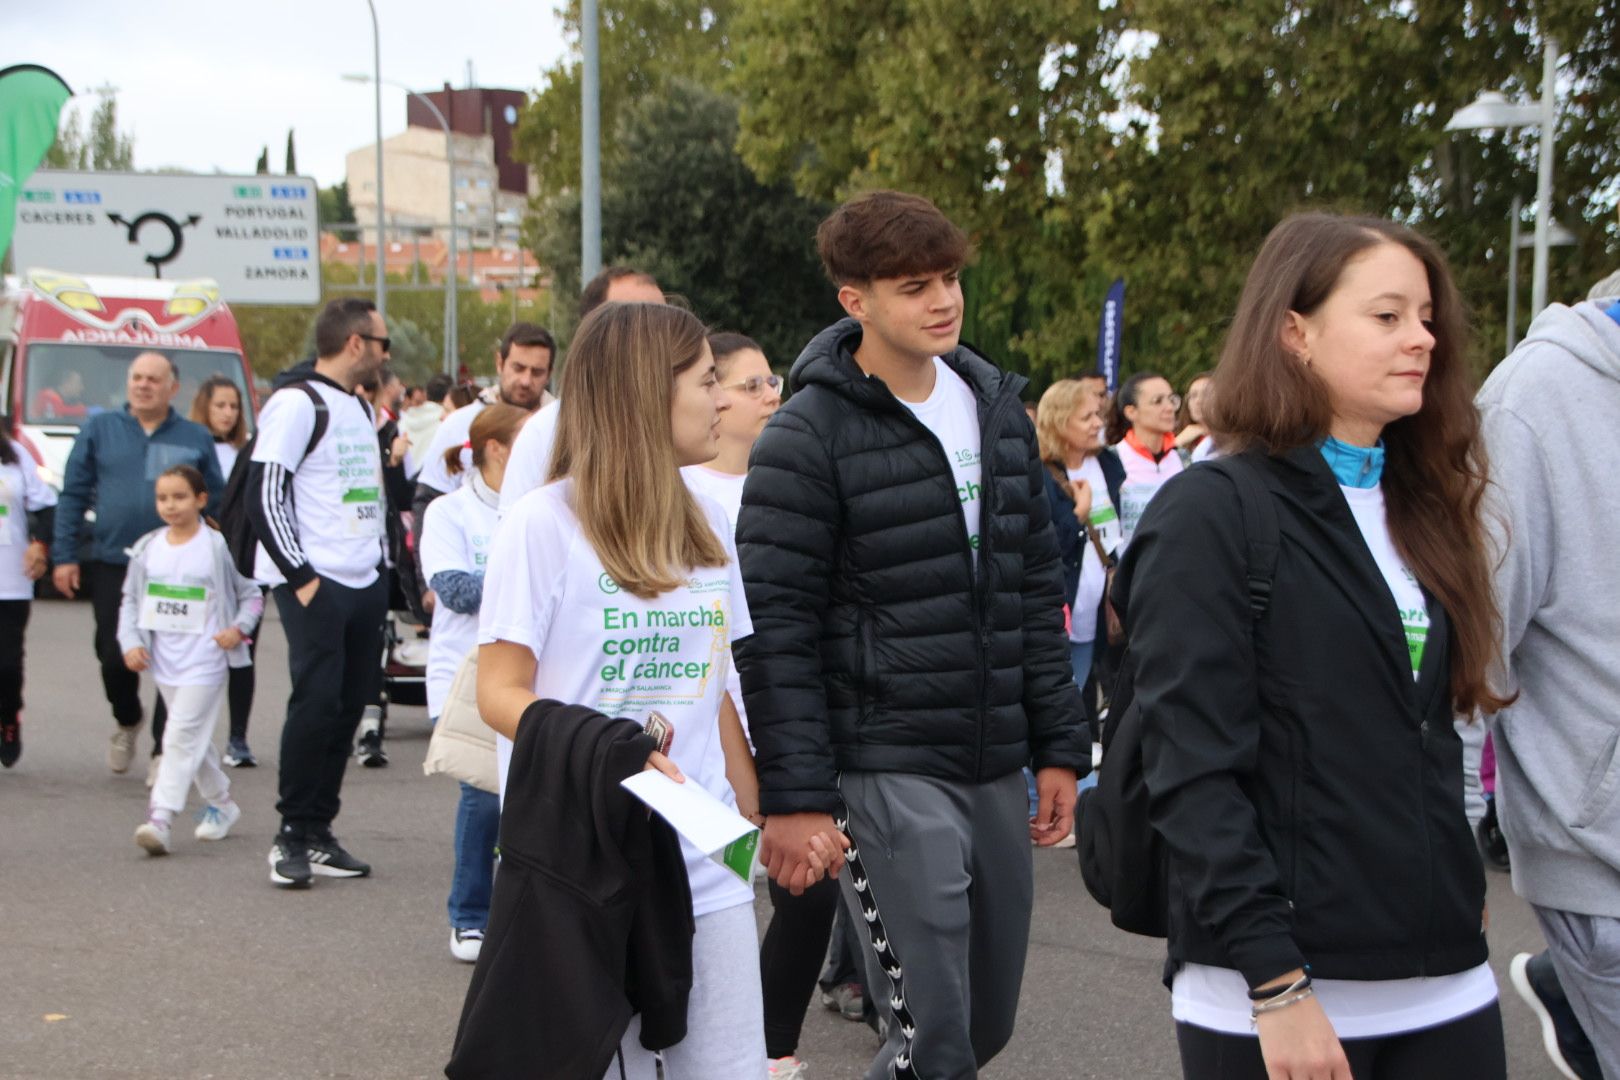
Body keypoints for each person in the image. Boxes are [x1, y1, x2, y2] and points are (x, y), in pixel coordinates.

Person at [1117, 212, 1507, 1079]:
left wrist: (1457, 883)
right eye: (1388, 316)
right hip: (1276, 995)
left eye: (1428, 319)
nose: (1423, 340)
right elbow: (1193, 770)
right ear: (1294, 331)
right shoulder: (1213, 512)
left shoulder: (1425, 509)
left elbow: (1434, 730)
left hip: (1446, 979)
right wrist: (1276, 983)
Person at [734, 190, 1087, 1080]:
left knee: (984, 1024)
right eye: (914, 285)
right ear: (856, 301)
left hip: (993, 759)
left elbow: (1032, 592)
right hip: (880, 762)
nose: (944, 300)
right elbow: (775, 631)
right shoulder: (806, 434)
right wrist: (799, 795)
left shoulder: (997, 407)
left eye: (952, 277)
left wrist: (1058, 749)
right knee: (935, 1035)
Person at [476, 302, 770, 1078]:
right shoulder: (542, 525)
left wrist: (762, 802)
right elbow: (498, 692)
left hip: (708, 859)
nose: (723, 400)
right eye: (708, 381)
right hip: (588, 862)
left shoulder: (707, 522)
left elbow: (719, 682)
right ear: (647, 390)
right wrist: (610, 751)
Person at [1479, 268, 1620, 1080]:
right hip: (1599, 861)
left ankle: (1568, 997)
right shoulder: (1536, 398)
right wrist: (1451, 854)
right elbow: (1473, 648)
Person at [680, 333, 823, 1079]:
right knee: (722, 901)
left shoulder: (787, 478)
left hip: (789, 723)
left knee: (808, 889)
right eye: (753, 382)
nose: (774, 393)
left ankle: (771, 1047)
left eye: (775, 380)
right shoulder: (687, 498)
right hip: (713, 740)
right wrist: (741, 767)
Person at [245, 297, 390, 890]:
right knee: (316, 702)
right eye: (383, 343)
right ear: (356, 344)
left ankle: (320, 829)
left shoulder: (356, 406)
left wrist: (383, 567)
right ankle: (290, 835)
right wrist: (301, 576)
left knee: (350, 703)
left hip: (364, 579)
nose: (385, 354)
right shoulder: (295, 402)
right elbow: (265, 493)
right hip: (316, 580)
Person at [52, 351, 226, 774]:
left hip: (179, 565)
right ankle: (127, 718)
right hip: (117, 561)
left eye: (153, 379)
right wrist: (64, 556)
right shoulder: (100, 428)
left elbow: (216, 500)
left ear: (172, 388)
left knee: (175, 656)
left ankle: (163, 751)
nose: (144, 385)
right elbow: (73, 494)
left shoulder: (194, 437)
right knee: (113, 653)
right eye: (137, 378)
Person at [419, 402, 526, 963]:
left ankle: (517, 918)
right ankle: (468, 917)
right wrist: (526, 571)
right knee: (483, 798)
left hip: (528, 677)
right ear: (495, 449)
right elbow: (455, 591)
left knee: (529, 805)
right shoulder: (448, 513)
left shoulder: (537, 505)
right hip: (466, 678)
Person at [117, 465, 262, 855]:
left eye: (180, 497)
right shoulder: (148, 547)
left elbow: (251, 594)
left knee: (178, 736)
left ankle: (159, 819)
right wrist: (131, 642)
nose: (170, 505)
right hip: (165, 662)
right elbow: (131, 600)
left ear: (200, 500)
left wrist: (238, 628)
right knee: (193, 738)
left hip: (208, 659)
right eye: (163, 498)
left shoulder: (216, 546)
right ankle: (221, 804)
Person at [1032, 378, 1122, 840]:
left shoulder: (1109, 463)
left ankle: (1065, 800)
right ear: (1058, 422)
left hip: (1095, 609)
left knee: (1079, 693)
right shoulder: (1040, 475)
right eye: (1086, 416)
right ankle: (1038, 804)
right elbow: (1044, 546)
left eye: (1098, 414)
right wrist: (1078, 514)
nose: (1098, 423)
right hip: (1058, 610)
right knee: (1055, 699)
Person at [499, 268, 667, 512]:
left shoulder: (687, 421)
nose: (657, 334)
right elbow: (514, 539)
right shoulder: (545, 431)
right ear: (593, 331)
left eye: (664, 321)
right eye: (636, 320)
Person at [187, 376, 262, 767]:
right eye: (220, 405)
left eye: (234, 406)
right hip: (201, 562)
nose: (228, 413)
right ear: (205, 406)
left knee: (242, 648)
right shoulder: (194, 447)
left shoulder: (249, 450)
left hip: (242, 560)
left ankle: (238, 738)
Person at [0, 418, 57, 767]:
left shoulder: (14, 456)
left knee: (5, 664)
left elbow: (47, 507)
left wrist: (40, 545)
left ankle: (8, 718)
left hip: (10, 580)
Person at [1106, 370, 1184, 548]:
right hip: (1130, 569)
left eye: (1171, 399)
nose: (1169, 407)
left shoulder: (1183, 459)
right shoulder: (1113, 460)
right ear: (1131, 412)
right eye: (1158, 401)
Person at [400, 372, 453, 479]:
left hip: (403, 483)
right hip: (431, 484)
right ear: (449, 396)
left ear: (426, 393)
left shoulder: (402, 420)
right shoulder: (448, 423)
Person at [1173, 371, 1215, 463]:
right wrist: (1177, 443)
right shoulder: (1179, 435)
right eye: (1193, 395)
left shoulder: (1232, 440)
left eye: (1206, 394)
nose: (1198, 401)